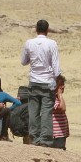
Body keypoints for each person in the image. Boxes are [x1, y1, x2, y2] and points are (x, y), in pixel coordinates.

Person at [20, 19, 61, 147]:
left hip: (33, 81)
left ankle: (34, 138)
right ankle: (45, 140)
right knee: (46, 112)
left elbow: (23, 61)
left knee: (33, 111)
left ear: (36, 29)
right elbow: (56, 67)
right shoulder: (52, 44)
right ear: (47, 30)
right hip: (48, 82)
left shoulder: (29, 43)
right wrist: (58, 82)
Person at [52, 74, 70, 149]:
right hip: (56, 134)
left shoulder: (57, 98)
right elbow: (62, 108)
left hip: (61, 133)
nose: (63, 87)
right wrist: (60, 95)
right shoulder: (52, 99)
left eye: (63, 84)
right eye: (61, 85)